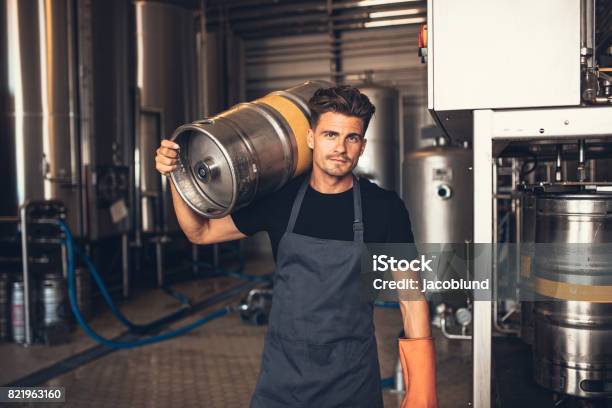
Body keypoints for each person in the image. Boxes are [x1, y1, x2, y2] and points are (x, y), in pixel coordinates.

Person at [155, 85, 438, 408]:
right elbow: (201, 231)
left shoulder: (384, 208)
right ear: (311, 138)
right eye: (331, 135)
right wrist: (176, 175)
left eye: (352, 138)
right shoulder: (281, 199)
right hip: (284, 380)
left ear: (362, 147)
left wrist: (422, 390)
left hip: (351, 379)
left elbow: (411, 299)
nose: (340, 148)